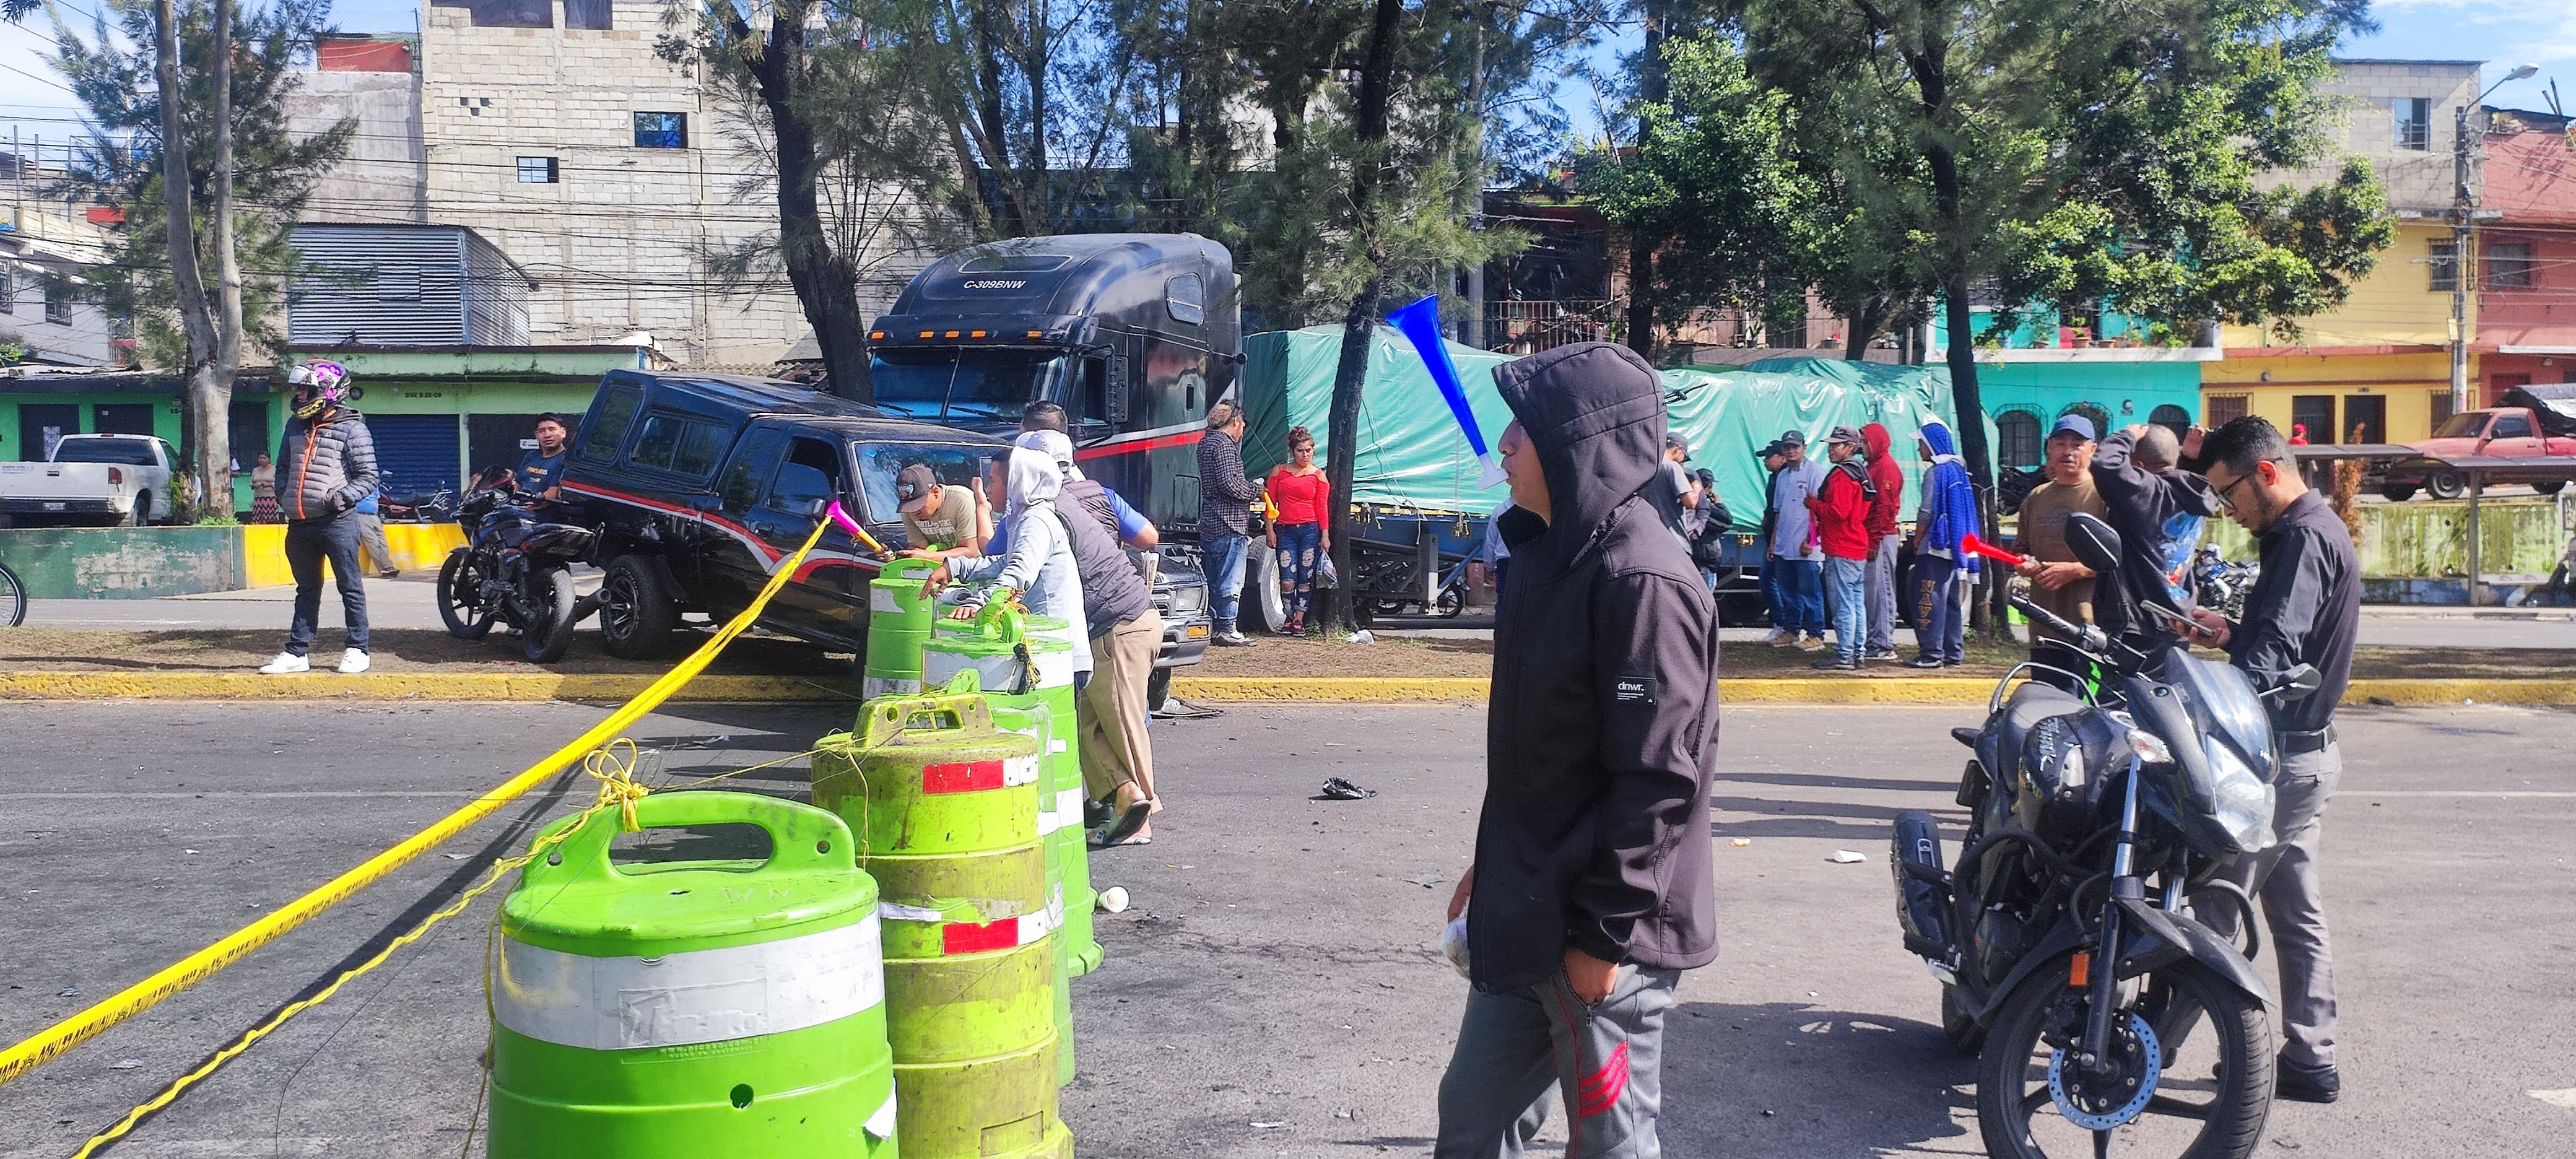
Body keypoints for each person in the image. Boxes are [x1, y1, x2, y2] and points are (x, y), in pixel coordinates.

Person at [1433, 342, 1719, 1159]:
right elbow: (1535, 751)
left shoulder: (1643, 580)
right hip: (1524, 909)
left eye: (1526, 429)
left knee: (1608, 1142)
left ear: (1578, 444)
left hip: (1605, 932)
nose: (1505, 445)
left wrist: (1604, 938)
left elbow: (1660, 781)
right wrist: (1490, 865)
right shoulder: (1541, 560)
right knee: (1474, 1119)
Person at [2182, 415, 2359, 1106]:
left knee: (2211, 907)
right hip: (2301, 757)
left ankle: (2138, 1051)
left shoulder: (2300, 538)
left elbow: (2274, 655)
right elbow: (2279, 636)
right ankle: (2310, 1059)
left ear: (2264, 473)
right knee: (2295, 915)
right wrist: (2226, 630)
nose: (2227, 512)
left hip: (2277, 764)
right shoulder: (2307, 532)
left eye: (2229, 495)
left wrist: (2207, 709)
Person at [1014, 427, 1164, 843]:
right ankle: (1123, 799)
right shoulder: (1099, 493)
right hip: (1125, 620)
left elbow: (1011, 564)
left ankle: (1141, 819)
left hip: (1116, 626)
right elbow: (1148, 535)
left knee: (1122, 724)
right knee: (1087, 726)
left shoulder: (1047, 510)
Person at [920, 448, 1092, 679]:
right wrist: (955, 567)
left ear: (1015, 484)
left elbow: (1018, 572)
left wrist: (979, 603)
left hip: (1057, 656)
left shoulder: (1037, 521)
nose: (988, 490)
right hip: (1042, 652)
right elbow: (1005, 562)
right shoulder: (1022, 518)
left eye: (993, 481)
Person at [258, 361, 378, 675]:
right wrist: (284, 496)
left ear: (328, 391)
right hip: (299, 523)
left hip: (337, 522)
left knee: (349, 585)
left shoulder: (352, 428)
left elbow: (368, 477)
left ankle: (358, 648)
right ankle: (297, 652)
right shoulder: (294, 426)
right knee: (306, 588)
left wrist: (339, 499)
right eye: (298, 389)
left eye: (306, 389)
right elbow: (283, 467)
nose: (300, 395)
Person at [2091, 422, 2220, 656]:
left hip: (2138, 623)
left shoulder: (2146, 490)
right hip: (2178, 620)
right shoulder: (2197, 492)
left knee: (2119, 693)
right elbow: (2179, 478)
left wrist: (2127, 434)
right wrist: (2189, 460)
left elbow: (2104, 463)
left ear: (2138, 466)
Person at [2011, 416, 2109, 688]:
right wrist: (2024, 563)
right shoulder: (2037, 497)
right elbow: (2021, 550)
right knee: (2048, 707)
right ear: (2050, 449)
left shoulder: (2105, 497)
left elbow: (2121, 562)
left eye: (2077, 444)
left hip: (2088, 627)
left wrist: (2075, 571)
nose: (2068, 451)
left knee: (2085, 714)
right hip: (2043, 626)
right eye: (2060, 443)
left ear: (2093, 450)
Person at [1905, 419, 1978, 669]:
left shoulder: (1935, 472)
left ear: (1931, 445)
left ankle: (1931, 653)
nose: (1919, 450)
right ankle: (1953, 652)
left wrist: (1916, 539)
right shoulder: (1959, 470)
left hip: (1935, 544)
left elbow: (1927, 511)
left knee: (1928, 596)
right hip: (1956, 544)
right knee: (1950, 600)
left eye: (1921, 445)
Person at [1806, 427, 1876, 670]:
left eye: (1836, 445)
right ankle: (1858, 652)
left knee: (1843, 604)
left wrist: (1814, 504)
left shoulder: (1842, 476)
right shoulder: (1860, 473)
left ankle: (1845, 654)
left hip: (1842, 545)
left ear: (1849, 447)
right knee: (1857, 603)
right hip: (1856, 544)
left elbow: (1838, 512)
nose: (1830, 449)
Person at [1195, 401, 1261, 646]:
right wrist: (1255, 490)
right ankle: (1227, 627)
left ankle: (1214, 625)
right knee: (1231, 578)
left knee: (1214, 576)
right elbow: (1229, 484)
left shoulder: (1205, 443)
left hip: (1211, 519)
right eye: (1242, 424)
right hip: (1229, 521)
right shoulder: (1224, 444)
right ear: (1235, 422)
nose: (1243, 430)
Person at [1264, 425, 1331, 634]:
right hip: (1285, 530)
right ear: (1292, 452)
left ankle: (1299, 620)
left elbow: (1322, 507)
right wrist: (1270, 530)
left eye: (1309, 451)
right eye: (1300, 451)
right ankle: (1289, 614)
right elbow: (1270, 503)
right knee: (1287, 578)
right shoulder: (1280, 472)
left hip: (1310, 530)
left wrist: (1325, 534)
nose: (1305, 455)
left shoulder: (1319, 476)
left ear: (1314, 451)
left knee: (1305, 577)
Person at [1765, 431, 1828, 651]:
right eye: (1787, 447)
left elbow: (1820, 511)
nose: (1791, 451)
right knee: (1787, 591)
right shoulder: (1782, 476)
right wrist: (1774, 542)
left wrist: (1811, 539)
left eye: (1796, 447)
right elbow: (1778, 512)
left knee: (1810, 592)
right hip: (1784, 544)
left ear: (1805, 448)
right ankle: (1791, 631)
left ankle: (1815, 635)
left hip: (1807, 546)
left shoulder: (1815, 472)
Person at [1860, 423, 1905, 662]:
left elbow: (1885, 509)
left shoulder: (1885, 469)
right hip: (1872, 535)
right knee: (1871, 591)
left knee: (1882, 589)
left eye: (1865, 442)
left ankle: (1883, 643)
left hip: (1881, 536)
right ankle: (1874, 639)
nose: (1862, 447)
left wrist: (1874, 542)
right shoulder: (1874, 466)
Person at [896, 463, 986, 553]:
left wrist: (927, 556)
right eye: (909, 507)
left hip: (971, 565)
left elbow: (970, 551)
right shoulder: (907, 511)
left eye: (918, 505)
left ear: (935, 493)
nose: (913, 512)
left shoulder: (961, 500)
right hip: (931, 565)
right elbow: (919, 549)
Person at [1753, 440, 1792, 643]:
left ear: (1782, 457)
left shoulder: (1787, 477)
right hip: (1773, 538)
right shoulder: (1775, 478)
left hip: (1783, 540)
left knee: (1772, 581)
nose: (1766, 461)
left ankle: (1784, 624)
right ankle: (1783, 624)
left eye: (1770, 457)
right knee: (1769, 580)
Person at [1681, 467, 1731, 593]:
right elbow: (1727, 522)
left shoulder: (1686, 502)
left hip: (1695, 559)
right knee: (1704, 602)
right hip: (1704, 560)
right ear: (1708, 486)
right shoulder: (1703, 506)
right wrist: (1719, 504)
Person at [1647, 433, 1701, 544]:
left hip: (1647, 536)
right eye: (1684, 458)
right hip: (1672, 539)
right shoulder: (1672, 466)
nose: (1682, 463)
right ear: (1678, 450)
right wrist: (1697, 489)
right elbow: (1690, 503)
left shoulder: (1647, 465)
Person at [515, 414, 570, 499]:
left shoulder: (566, 459)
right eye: (542, 431)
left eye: (552, 430)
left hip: (542, 510)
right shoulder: (531, 456)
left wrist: (528, 506)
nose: (547, 435)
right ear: (537, 435)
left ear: (563, 433)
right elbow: (518, 484)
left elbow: (553, 493)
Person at [352, 488, 400, 579]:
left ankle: (388, 566)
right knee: (373, 543)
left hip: (374, 515)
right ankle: (386, 568)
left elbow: (376, 499)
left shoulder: (374, 485)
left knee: (383, 543)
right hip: (361, 515)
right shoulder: (356, 483)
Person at [248, 451, 279, 523]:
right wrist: (254, 486)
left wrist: (268, 484)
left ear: (269, 460)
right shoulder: (255, 470)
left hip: (270, 498)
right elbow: (251, 483)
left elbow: (278, 482)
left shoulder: (274, 469)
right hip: (258, 498)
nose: (262, 460)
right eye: (260, 458)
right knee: (258, 520)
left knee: (271, 520)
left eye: (264, 458)